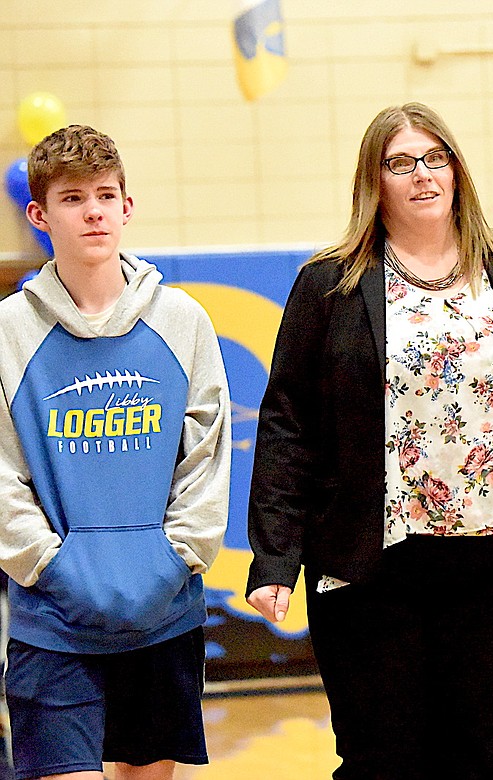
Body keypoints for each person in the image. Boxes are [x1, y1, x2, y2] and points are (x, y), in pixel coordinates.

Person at [244, 102, 493, 780]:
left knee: (487, 758)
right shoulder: (329, 284)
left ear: (457, 170)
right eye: (401, 163)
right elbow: (288, 424)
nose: (422, 175)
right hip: (371, 562)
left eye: (436, 158)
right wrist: (275, 557)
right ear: (376, 181)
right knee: (382, 758)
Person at [0, 125, 232, 780]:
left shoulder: (182, 320)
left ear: (128, 207)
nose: (95, 211)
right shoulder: (8, 333)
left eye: (107, 195)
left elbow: (206, 459)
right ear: (40, 214)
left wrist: (174, 559)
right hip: (52, 621)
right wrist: (51, 567)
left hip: (163, 617)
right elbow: (2, 476)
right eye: (74, 198)